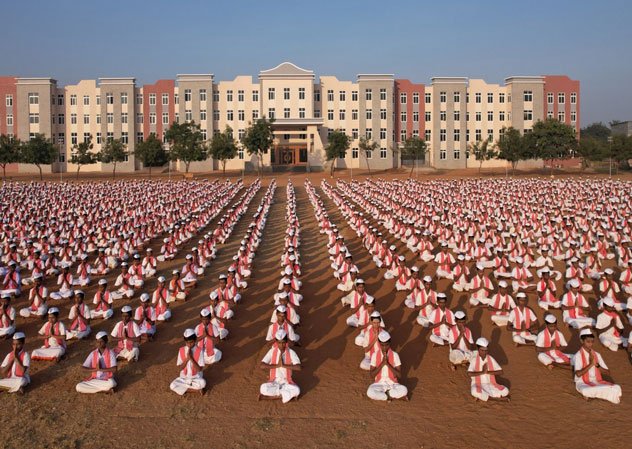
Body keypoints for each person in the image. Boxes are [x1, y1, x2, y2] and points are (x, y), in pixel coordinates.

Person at [572, 329, 622, 404]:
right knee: (586, 390)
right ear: (582, 341)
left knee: (617, 387)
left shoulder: (597, 355)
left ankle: (593, 394)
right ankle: (595, 393)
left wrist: (597, 365)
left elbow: (608, 373)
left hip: (597, 382)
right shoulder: (578, 355)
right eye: (588, 342)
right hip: (583, 383)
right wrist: (591, 364)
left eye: (592, 342)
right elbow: (578, 374)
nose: (590, 344)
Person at [259, 329, 301, 403]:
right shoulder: (272, 351)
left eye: (283, 343)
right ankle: (285, 394)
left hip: (286, 381)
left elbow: (298, 367)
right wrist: (277, 365)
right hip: (274, 381)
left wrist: (283, 365)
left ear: (286, 342)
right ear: (276, 342)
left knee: (297, 390)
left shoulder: (291, 352)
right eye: (279, 343)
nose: (281, 345)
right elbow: (262, 365)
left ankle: (272, 397)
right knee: (263, 388)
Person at [367, 331, 408, 401]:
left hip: (392, 384)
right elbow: (371, 375)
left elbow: (399, 375)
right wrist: (382, 364)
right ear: (379, 343)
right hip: (379, 384)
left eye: (386, 345)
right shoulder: (374, 355)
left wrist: (388, 364)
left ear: (389, 344)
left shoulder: (395, 355)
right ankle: (390, 396)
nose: (384, 347)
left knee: (404, 389)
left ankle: (385, 395)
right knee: (370, 392)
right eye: (382, 345)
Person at [467, 337, 510, 402]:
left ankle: (484, 396)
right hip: (478, 384)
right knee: (474, 391)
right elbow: (469, 373)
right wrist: (482, 372)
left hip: (490, 384)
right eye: (482, 350)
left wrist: (487, 372)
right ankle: (496, 399)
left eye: (486, 350)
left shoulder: (490, 358)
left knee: (506, 391)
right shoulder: (474, 359)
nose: (484, 352)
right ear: (478, 349)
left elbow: (501, 372)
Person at [170, 328, 206, 396]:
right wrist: (187, 359)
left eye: (191, 342)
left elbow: (199, 369)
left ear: (195, 340)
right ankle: (195, 390)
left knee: (203, 383)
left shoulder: (200, 350)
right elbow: (180, 368)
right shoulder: (181, 350)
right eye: (187, 343)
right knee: (172, 385)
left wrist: (191, 358)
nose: (189, 345)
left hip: (196, 377)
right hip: (184, 378)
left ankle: (185, 388)